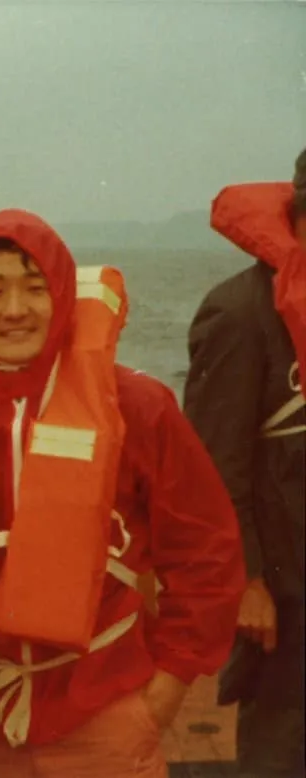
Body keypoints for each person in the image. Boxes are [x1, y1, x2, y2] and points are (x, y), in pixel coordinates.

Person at [0, 208, 246, 777]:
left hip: (105, 711)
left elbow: (206, 554)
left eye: (34, 287)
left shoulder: (138, 410)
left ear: (64, 295)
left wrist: (168, 687)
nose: (15, 309)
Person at [182, 148, 306, 778]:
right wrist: (248, 582)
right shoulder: (239, 313)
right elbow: (209, 470)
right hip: (282, 593)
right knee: (281, 748)